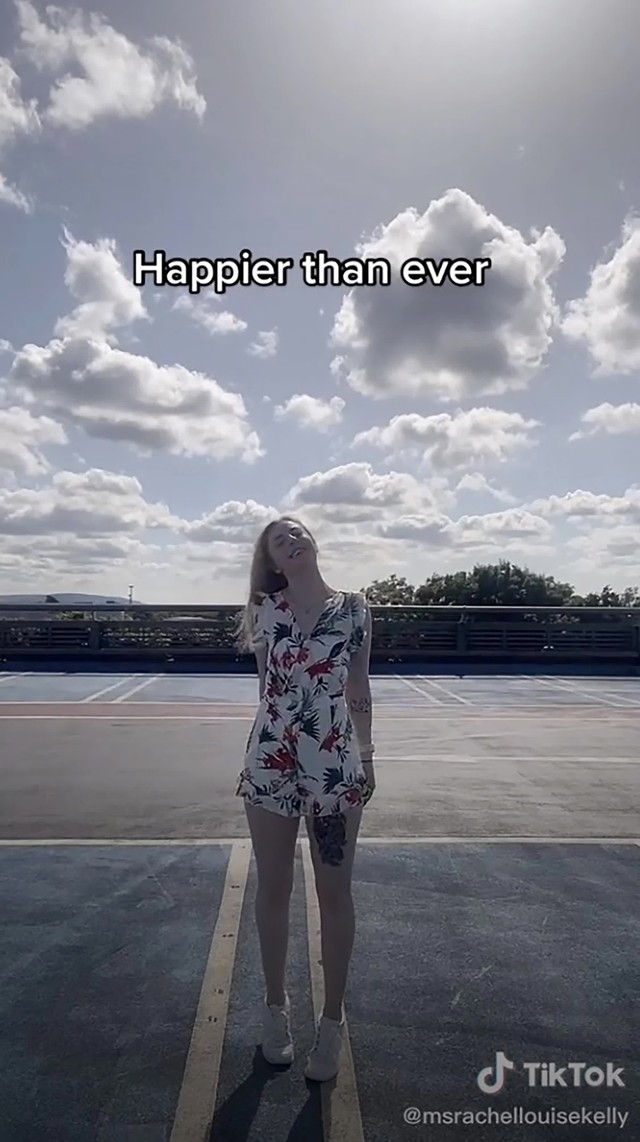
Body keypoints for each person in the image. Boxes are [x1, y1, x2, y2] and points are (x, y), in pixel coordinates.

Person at [235, 515, 375, 1082]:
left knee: (334, 891)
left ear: (313, 542)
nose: (291, 540)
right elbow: (266, 688)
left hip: (334, 762)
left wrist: (367, 756)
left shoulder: (356, 608)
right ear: (271, 561)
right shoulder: (264, 609)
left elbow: (359, 686)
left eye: (296, 533)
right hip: (271, 759)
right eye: (278, 540)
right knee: (274, 887)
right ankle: (276, 1011)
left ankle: (332, 1021)